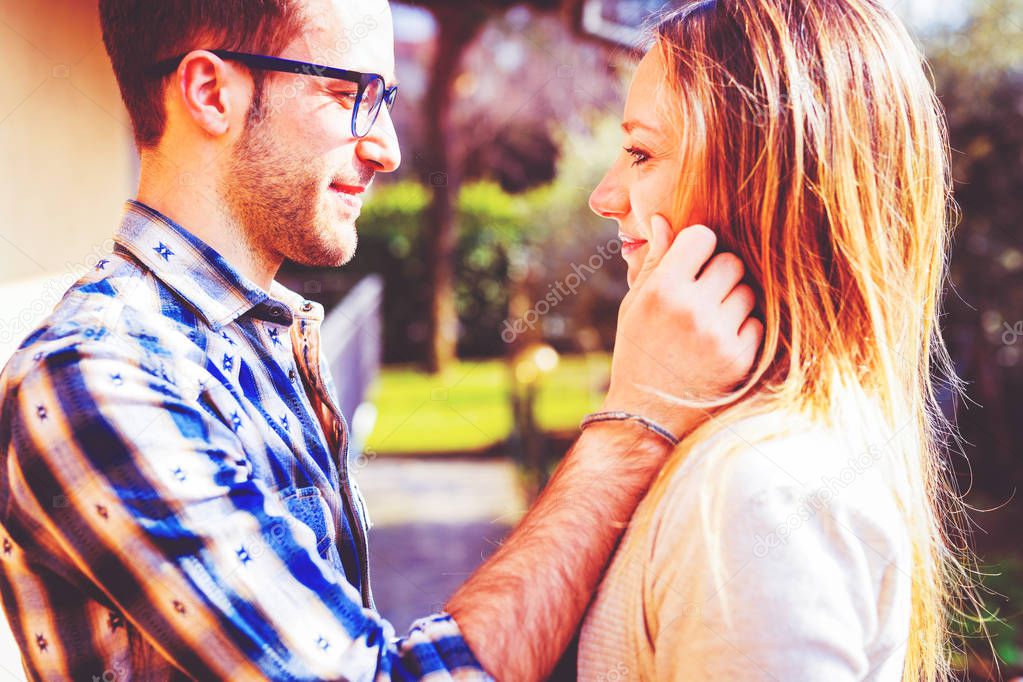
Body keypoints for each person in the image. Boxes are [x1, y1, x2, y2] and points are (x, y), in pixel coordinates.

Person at [0, 0, 763, 679]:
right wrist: (628, 429)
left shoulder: (255, 339)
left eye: (386, 100)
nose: (388, 148)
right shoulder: (103, 375)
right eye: (349, 94)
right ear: (210, 93)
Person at [579, 1, 974, 680]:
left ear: (764, 178)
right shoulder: (747, 461)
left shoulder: (762, 492)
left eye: (641, 152)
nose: (604, 195)